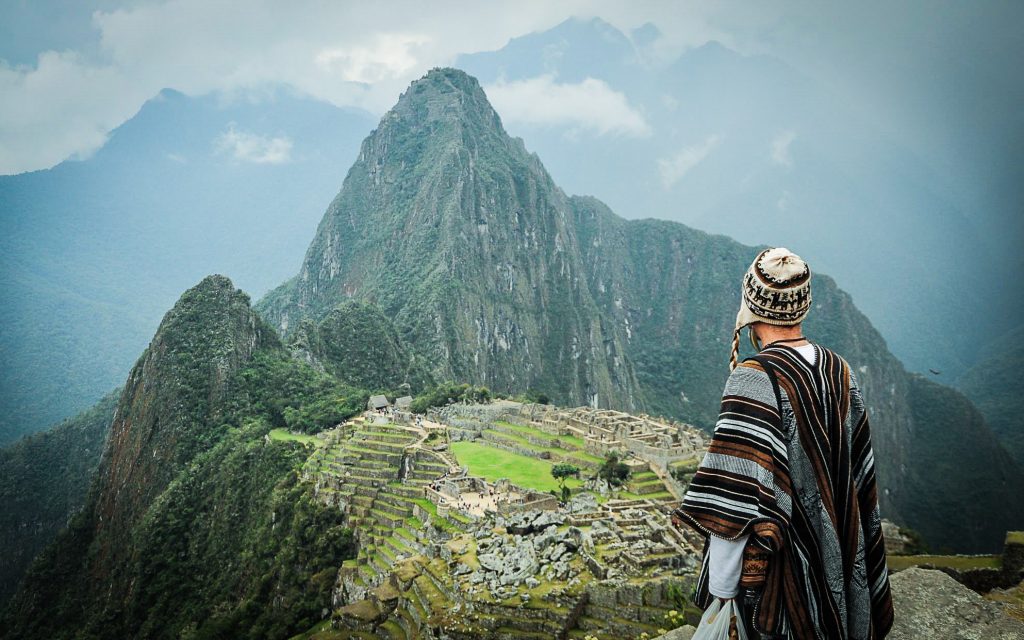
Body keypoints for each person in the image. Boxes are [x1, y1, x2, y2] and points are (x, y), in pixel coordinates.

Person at [674, 247, 894, 639]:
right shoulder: (839, 369)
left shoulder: (754, 377)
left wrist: (722, 590)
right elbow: (859, 477)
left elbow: (736, 495)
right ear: (802, 306)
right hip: (842, 556)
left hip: (786, 572)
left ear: (751, 306)